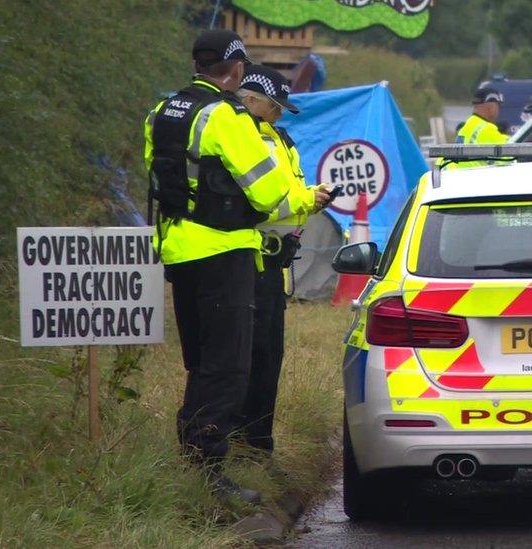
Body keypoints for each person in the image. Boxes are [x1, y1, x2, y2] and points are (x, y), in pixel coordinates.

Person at [143, 30, 295, 503]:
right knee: (228, 365)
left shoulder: (162, 111)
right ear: (235, 70)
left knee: (201, 360)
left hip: (177, 250)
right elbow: (270, 192)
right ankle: (207, 469)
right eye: (242, 67)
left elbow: (164, 175)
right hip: (223, 251)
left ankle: (193, 462)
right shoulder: (226, 117)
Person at [235, 65, 329, 455]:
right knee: (245, 353)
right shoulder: (242, 137)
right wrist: (309, 200)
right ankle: (241, 439)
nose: (278, 115)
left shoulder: (279, 137)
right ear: (250, 100)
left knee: (269, 354)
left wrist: (310, 196)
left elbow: (285, 193)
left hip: (275, 261)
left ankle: (258, 441)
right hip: (248, 258)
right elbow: (261, 202)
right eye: (274, 107)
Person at [443, 87, 508, 169]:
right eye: (498, 106)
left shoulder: (468, 126)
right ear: (492, 108)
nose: (499, 110)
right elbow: (509, 158)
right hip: (472, 179)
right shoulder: (486, 130)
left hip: (458, 176)